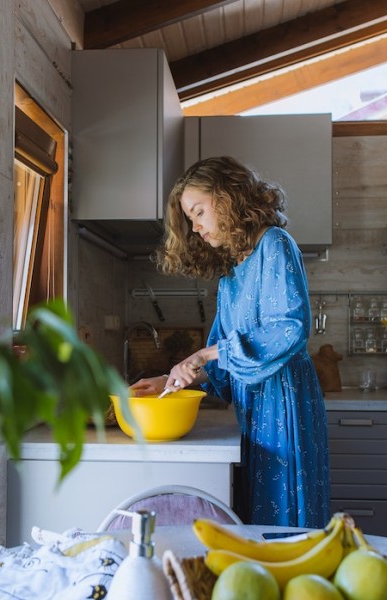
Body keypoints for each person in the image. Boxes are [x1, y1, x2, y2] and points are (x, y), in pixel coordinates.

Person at [130, 156, 331, 528]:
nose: (196, 227)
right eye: (190, 220)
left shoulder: (275, 244)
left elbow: (289, 328)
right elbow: (223, 361)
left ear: (227, 197)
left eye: (199, 212)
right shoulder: (231, 273)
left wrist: (203, 353)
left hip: (284, 404)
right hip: (256, 409)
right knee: (260, 515)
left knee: (287, 515)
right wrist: (172, 378)